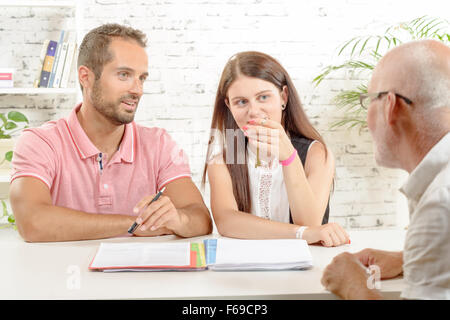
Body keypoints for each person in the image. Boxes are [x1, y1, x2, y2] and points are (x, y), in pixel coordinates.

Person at [9, 23, 212, 242]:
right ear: (86, 77)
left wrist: (177, 219)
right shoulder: (40, 143)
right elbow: (33, 223)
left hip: (141, 276)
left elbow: (200, 218)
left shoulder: (159, 143)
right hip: (60, 274)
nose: (137, 90)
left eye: (141, 78)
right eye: (124, 75)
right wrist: (134, 225)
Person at [321, 40, 450, 299]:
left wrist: (353, 283)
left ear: (390, 106)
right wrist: (406, 259)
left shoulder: (440, 204)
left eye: (368, 100)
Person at [202, 51, 350, 247]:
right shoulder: (223, 160)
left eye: (263, 97)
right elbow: (227, 222)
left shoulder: (316, 153)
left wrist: (289, 157)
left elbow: (310, 223)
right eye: (241, 102)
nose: (253, 111)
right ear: (229, 105)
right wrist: (301, 234)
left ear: (283, 96)